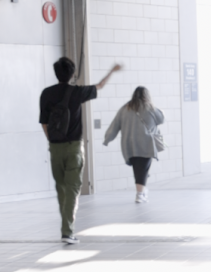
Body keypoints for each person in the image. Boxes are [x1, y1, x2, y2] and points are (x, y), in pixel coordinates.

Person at [39, 57, 122, 244]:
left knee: (61, 188)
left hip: (55, 147)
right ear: (72, 74)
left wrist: (52, 141)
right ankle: (67, 232)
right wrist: (112, 70)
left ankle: (65, 228)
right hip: (74, 147)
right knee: (73, 189)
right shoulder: (77, 92)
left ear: (56, 73)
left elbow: (44, 122)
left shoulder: (45, 94)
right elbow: (99, 86)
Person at [102, 86, 165, 203]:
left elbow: (114, 126)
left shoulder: (124, 109)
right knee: (142, 169)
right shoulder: (150, 108)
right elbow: (161, 119)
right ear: (147, 96)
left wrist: (107, 139)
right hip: (146, 145)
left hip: (129, 145)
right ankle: (140, 194)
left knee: (139, 168)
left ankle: (142, 191)